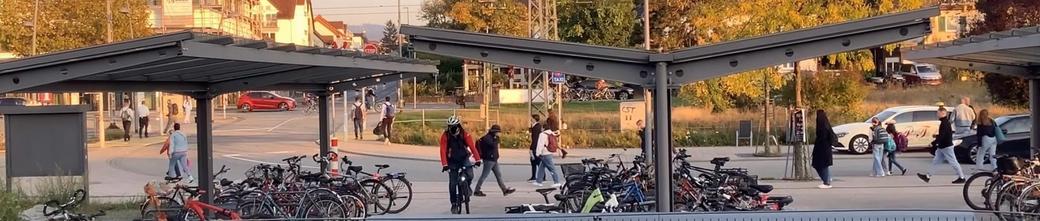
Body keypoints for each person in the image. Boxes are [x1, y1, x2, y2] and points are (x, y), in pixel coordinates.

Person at [438, 116, 482, 213]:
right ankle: (454, 204)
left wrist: (478, 159)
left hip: (464, 158)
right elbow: (443, 150)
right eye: (450, 126)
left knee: (470, 174)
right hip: (452, 161)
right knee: (453, 184)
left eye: (453, 126)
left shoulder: (464, 134)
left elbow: (472, 147)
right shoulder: (445, 136)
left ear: (458, 126)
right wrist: (445, 164)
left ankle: (467, 187)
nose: (451, 128)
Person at [918, 108, 967, 184]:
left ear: (942, 113)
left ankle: (962, 177)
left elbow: (942, 135)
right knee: (936, 161)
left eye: (938, 113)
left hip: (946, 146)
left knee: (953, 162)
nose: (937, 114)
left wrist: (934, 142)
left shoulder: (944, 123)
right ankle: (927, 176)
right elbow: (943, 134)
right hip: (943, 146)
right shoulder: (944, 122)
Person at [473, 125, 516, 197]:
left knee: (499, 175)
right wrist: (496, 139)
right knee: (484, 175)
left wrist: (496, 139)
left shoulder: (493, 137)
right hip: (489, 160)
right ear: (494, 132)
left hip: (494, 160)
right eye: (498, 132)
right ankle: (477, 190)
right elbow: (493, 145)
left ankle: (504, 190)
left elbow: (496, 144)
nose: (498, 134)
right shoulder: (487, 138)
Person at [534, 117, 563, 187]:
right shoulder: (551, 133)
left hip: (544, 153)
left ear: (543, 128)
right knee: (541, 167)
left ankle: (557, 181)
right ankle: (539, 181)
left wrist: (537, 153)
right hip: (549, 152)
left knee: (551, 168)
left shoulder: (542, 134)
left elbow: (540, 144)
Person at [812, 110, 835, 189]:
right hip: (825, 148)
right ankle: (827, 179)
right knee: (823, 165)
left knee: (821, 165)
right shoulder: (826, 125)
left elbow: (821, 138)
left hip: (822, 149)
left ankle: (826, 181)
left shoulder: (822, 127)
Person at [527, 114, 543, 182]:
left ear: (534, 119)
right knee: (535, 162)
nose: (531, 119)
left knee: (536, 161)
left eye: (532, 118)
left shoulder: (536, 127)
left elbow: (535, 139)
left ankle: (540, 176)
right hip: (536, 146)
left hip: (535, 147)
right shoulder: (536, 126)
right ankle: (534, 176)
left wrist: (531, 147)